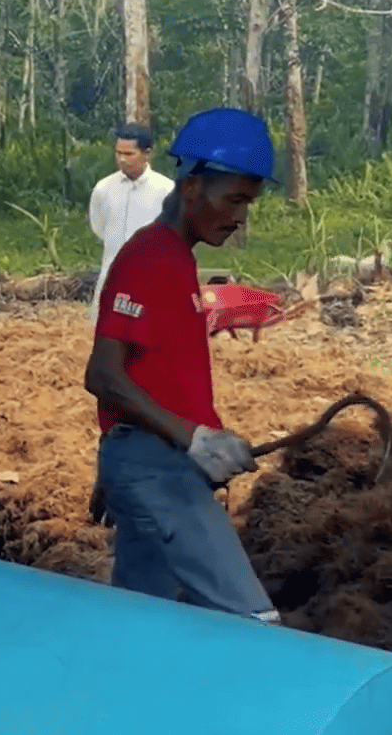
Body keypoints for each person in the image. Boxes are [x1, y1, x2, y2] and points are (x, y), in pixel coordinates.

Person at [81, 108, 278, 624]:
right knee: (252, 622)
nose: (240, 218)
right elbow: (102, 375)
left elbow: (153, 377)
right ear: (193, 188)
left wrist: (122, 462)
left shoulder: (176, 258)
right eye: (233, 199)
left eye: (248, 204)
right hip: (158, 468)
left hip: (150, 461)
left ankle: (119, 701)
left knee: (144, 618)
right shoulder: (151, 257)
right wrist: (193, 439)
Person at [88, 124, 174, 323]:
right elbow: (99, 227)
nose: (122, 159)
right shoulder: (104, 189)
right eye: (118, 153)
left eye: (129, 153)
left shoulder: (166, 191)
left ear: (147, 153)